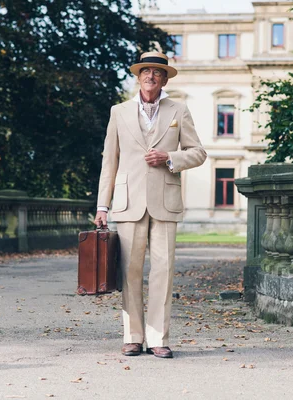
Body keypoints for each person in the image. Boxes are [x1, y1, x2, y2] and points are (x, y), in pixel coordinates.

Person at [94, 51, 207, 359]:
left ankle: (158, 338)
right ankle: (132, 336)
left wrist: (169, 157)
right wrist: (102, 206)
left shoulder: (179, 109)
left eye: (157, 72)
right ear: (138, 76)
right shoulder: (119, 112)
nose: (151, 77)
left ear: (165, 78)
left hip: (165, 202)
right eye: (146, 71)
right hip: (128, 202)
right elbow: (110, 161)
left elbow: (198, 153)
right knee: (129, 272)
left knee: (163, 270)